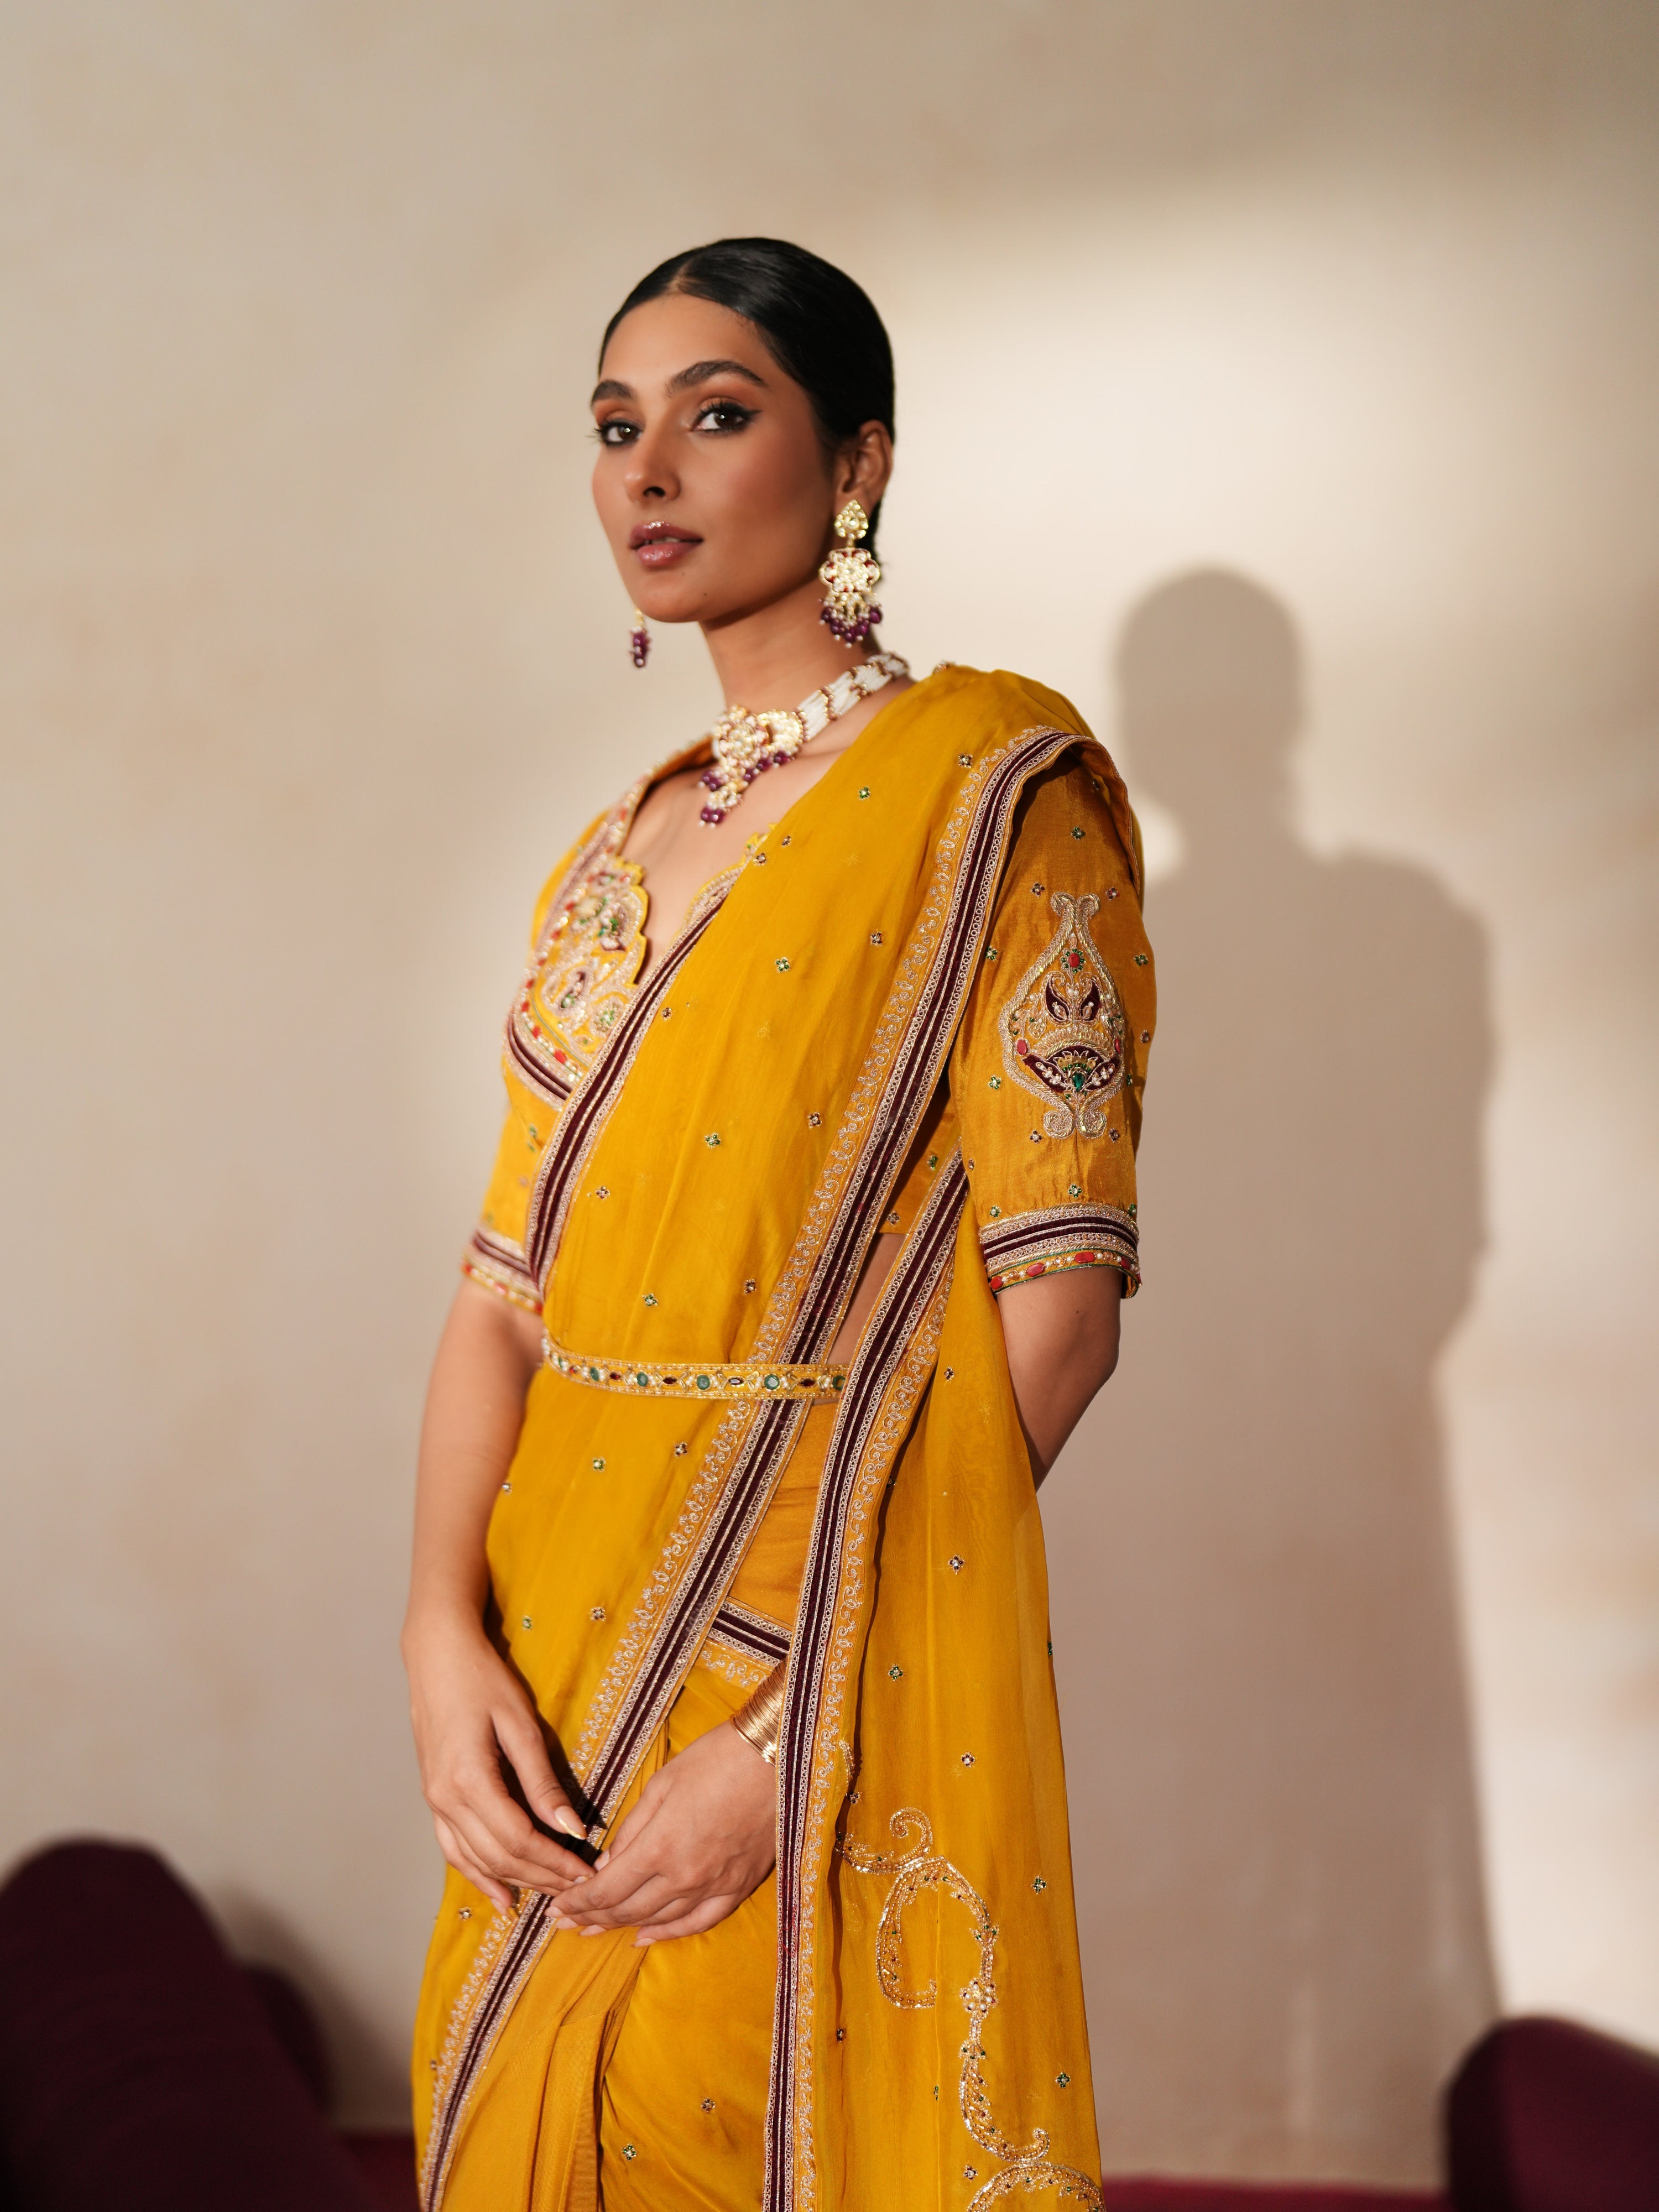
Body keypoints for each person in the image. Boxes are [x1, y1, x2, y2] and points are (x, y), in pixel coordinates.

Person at [403, 237, 1156, 2212]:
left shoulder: (996, 794)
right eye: (613, 427)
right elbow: (502, 1301)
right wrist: (429, 1634)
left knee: (717, 2118)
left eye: (717, 416)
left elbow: (1052, 1320)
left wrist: (786, 1716)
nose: (648, 471)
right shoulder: (614, 854)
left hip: (799, 1642)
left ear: (857, 468)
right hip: (551, 1645)